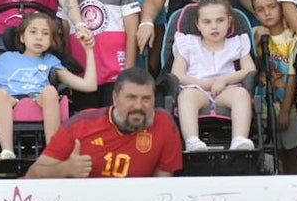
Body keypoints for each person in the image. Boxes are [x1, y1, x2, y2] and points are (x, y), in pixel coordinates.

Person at [0, 11, 96, 162]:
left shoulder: (51, 61)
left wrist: (89, 50)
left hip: (40, 99)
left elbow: (89, 86)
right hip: (11, 100)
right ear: (22, 37)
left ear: (51, 41)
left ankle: (53, 152)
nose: (39, 37)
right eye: (33, 32)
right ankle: (7, 151)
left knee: (50, 91)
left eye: (45, 33)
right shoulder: (6, 59)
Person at [26, 67, 182, 178]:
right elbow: (32, 174)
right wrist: (66, 169)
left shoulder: (164, 124)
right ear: (115, 98)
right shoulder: (81, 125)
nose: (138, 106)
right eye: (131, 98)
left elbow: (162, 185)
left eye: (146, 99)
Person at [171, 0, 255, 153]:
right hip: (197, 89)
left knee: (242, 94)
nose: (214, 26)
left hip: (227, 90)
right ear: (197, 24)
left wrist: (224, 79)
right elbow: (177, 75)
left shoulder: (236, 42)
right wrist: (203, 84)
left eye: (220, 20)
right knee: (186, 95)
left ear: (229, 22)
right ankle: (192, 141)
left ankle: (239, 139)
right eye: (207, 22)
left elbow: (250, 70)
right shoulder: (188, 43)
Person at [251, 0, 297, 173]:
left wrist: (284, 111)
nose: (267, 13)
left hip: (289, 110)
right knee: (274, 154)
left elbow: (292, 76)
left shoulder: (292, 37)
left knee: (293, 152)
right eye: (260, 9)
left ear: (281, 7)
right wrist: (256, 39)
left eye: (272, 6)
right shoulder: (255, 36)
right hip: (264, 109)